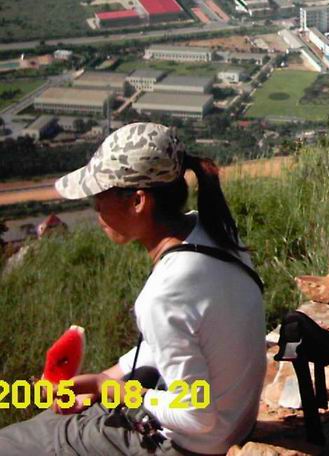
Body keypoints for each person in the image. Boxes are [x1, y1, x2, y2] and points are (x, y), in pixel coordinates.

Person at [0, 122, 266, 456]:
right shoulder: (212, 231)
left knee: (9, 443)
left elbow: (197, 416)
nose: (95, 208)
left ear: (138, 200)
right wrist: (109, 376)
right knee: (48, 424)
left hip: (187, 443)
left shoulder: (163, 295)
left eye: (100, 195)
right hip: (236, 421)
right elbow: (189, 334)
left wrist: (110, 388)